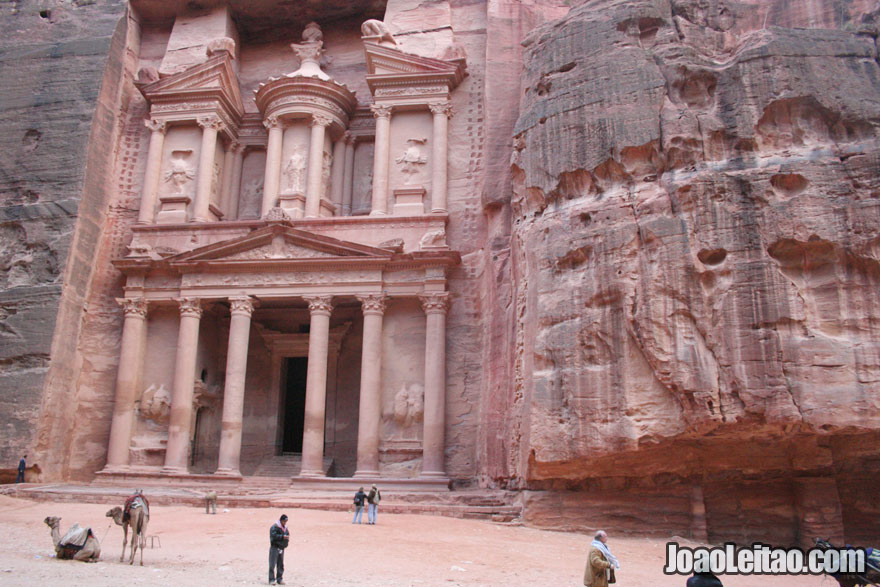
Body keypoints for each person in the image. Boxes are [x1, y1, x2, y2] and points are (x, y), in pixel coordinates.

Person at [269, 513, 290, 585]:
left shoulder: (285, 528)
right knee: (272, 564)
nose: (285, 523)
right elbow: (273, 536)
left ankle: (279, 579)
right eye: (284, 521)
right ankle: (271, 579)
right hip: (275, 547)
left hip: (281, 548)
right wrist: (282, 537)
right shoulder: (274, 527)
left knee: (280, 564)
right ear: (281, 520)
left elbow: (287, 535)